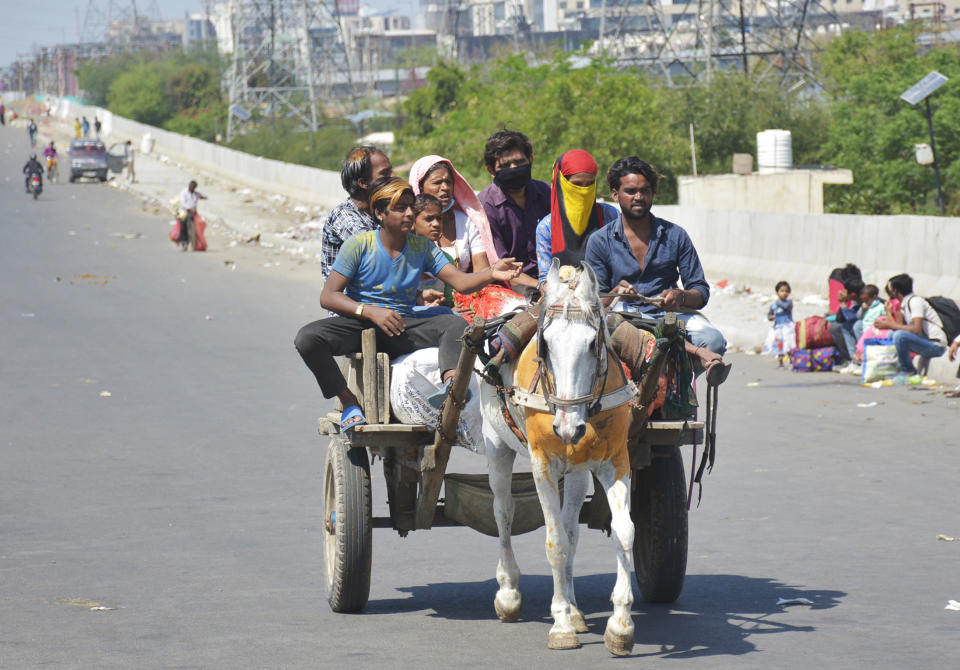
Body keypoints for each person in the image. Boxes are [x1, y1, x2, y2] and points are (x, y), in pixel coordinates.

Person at [294, 177, 522, 430]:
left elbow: (461, 282)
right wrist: (370, 311)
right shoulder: (359, 245)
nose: (410, 213)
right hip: (361, 324)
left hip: (401, 325)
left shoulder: (422, 247)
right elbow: (329, 296)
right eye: (400, 208)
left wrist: (492, 273)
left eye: (411, 207)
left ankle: (451, 388)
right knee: (307, 339)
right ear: (380, 213)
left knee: (454, 323)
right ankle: (348, 402)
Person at [584, 156, 727, 361]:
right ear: (616, 195)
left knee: (713, 340)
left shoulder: (676, 235)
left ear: (653, 193)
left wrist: (680, 296)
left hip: (670, 317)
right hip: (623, 318)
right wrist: (617, 294)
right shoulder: (600, 241)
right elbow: (595, 301)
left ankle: (683, 386)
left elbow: (701, 292)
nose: (639, 197)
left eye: (645, 191)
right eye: (631, 191)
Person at [477, 130, 548, 294]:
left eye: (519, 162)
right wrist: (540, 286)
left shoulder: (545, 192)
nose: (514, 169)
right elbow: (501, 267)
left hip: (552, 278)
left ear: (531, 160)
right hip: (513, 286)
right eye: (505, 166)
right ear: (491, 170)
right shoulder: (486, 206)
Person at [535, 149, 619, 283]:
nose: (584, 191)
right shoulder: (547, 227)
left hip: (607, 294)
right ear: (563, 183)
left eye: (590, 184)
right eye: (577, 185)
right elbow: (545, 278)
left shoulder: (609, 216)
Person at [409, 154, 497, 274]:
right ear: (420, 187)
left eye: (448, 182)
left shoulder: (466, 221)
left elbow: (481, 271)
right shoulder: (409, 227)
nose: (445, 187)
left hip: (466, 289)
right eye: (437, 182)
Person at [320, 145, 393, 281]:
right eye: (385, 174)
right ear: (364, 182)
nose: (393, 178)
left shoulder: (378, 211)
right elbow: (378, 254)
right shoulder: (344, 216)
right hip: (351, 300)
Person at [873, 273, 947, 378]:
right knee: (891, 335)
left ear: (895, 290)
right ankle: (895, 367)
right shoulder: (905, 304)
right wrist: (889, 314)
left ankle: (907, 370)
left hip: (935, 345)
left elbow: (916, 329)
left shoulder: (915, 302)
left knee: (899, 336)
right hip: (923, 341)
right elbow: (899, 326)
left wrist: (889, 324)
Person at [830, 277, 863, 372]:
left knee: (854, 325)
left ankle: (858, 361)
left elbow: (852, 318)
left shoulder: (865, 300)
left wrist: (843, 304)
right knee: (838, 326)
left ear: (852, 294)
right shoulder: (855, 303)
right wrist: (842, 303)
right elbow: (840, 318)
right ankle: (852, 359)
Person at [763, 281, 795, 364]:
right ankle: (781, 363)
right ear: (777, 292)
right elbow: (769, 315)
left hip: (787, 327)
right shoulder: (773, 305)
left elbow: (785, 307)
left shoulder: (789, 303)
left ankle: (791, 361)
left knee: (788, 344)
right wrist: (771, 317)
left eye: (786, 291)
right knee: (779, 346)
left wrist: (778, 302)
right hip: (778, 327)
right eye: (782, 291)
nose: (784, 293)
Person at [178, 180, 207, 251]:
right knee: (183, 227)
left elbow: (205, 196)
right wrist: (189, 208)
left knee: (195, 228)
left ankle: (194, 243)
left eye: (193, 187)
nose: (191, 188)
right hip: (184, 212)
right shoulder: (184, 193)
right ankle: (184, 242)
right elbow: (183, 203)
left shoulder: (195, 193)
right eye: (191, 187)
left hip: (193, 213)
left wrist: (201, 196)